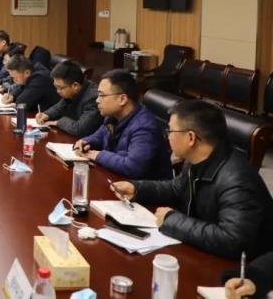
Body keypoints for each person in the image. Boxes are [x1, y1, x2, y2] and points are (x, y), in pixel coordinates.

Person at [111, 100, 273, 260]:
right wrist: (137, 188)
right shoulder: (195, 159)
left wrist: (172, 220)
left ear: (190, 138)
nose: (167, 136)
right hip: (203, 251)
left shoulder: (237, 180)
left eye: (170, 131)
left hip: (243, 270)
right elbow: (176, 189)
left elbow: (234, 240)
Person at [73, 70, 172, 180]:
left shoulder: (144, 127)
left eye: (101, 95)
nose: (97, 100)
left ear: (122, 99)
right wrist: (86, 142)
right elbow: (99, 136)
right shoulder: (113, 117)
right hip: (117, 179)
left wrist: (96, 155)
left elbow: (133, 167)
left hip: (141, 188)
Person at [35, 60, 102, 137]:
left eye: (60, 88)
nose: (57, 91)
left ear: (75, 85)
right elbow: (59, 107)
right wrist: (47, 114)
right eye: (56, 87)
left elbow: (80, 129)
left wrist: (58, 122)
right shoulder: (73, 92)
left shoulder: (93, 98)